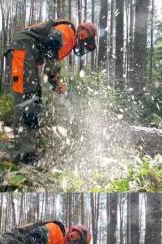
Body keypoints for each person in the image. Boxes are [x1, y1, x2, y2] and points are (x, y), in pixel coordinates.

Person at [5, 20, 98, 162]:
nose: (84, 45)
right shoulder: (67, 30)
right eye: (87, 41)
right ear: (83, 32)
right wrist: (54, 79)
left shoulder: (68, 39)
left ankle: (27, 150)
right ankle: (23, 155)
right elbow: (51, 46)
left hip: (26, 51)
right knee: (28, 100)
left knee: (33, 99)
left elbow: (50, 56)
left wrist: (55, 81)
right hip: (22, 50)